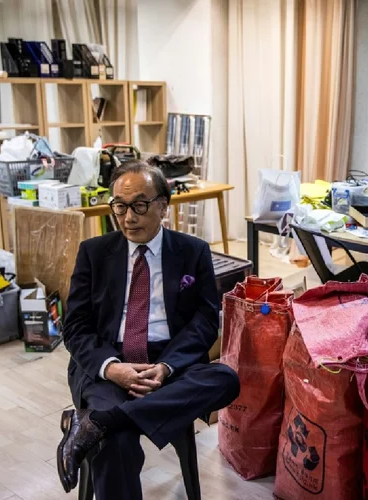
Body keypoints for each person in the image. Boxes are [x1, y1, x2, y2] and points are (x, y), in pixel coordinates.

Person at [56, 160, 239, 498]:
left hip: (168, 362)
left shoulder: (191, 251)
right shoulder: (94, 253)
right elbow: (76, 326)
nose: (128, 217)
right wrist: (112, 368)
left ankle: (95, 423)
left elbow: (205, 320)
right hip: (109, 361)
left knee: (226, 379)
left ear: (162, 206)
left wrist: (166, 367)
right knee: (118, 442)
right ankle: (108, 425)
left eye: (139, 205)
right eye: (120, 207)